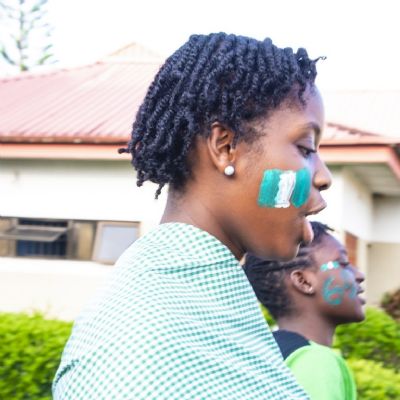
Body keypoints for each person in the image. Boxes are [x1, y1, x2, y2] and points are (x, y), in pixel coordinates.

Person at [53, 33, 331, 399]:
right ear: (225, 146)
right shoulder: (140, 342)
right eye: (306, 148)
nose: (324, 176)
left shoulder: (202, 302)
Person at [244, 221, 365, 400]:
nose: (359, 275)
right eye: (343, 263)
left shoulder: (261, 353)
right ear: (303, 281)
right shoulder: (315, 362)